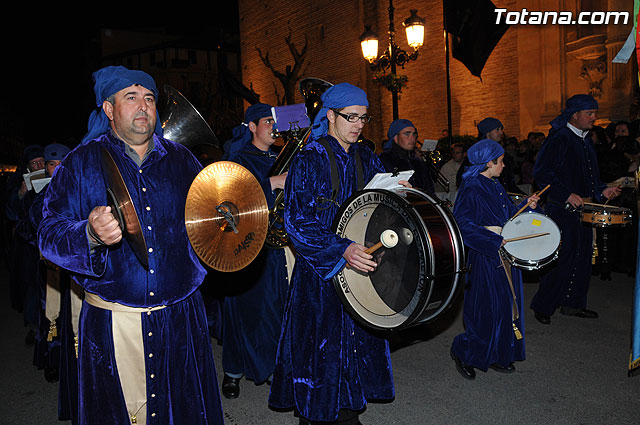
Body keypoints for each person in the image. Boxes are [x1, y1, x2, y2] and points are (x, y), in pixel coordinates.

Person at [37, 65, 224, 424]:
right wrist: (88, 234)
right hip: (111, 325)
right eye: (131, 97)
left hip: (180, 320)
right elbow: (47, 234)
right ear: (108, 109)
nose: (144, 107)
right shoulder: (79, 164)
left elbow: (208, 227)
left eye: (150, 99)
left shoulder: (184, 161)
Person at [268, 83, 398, 425]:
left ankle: (346, 406)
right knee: (319, 346)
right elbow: (296, 220)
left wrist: (400, 192)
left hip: (361, 262)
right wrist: (342, 249)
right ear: (330, 115)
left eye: (362, 117)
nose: (357, 124)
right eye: (350, 116)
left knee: (355, 337)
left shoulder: (367, 157)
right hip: (320, 270)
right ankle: (315, 411)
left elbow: (377, 206)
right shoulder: (309, 159)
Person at [449, 139, 540, 380]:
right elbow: (462, 225)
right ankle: (465, 352)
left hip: (506, 254)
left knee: (506, 308)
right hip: (485, 257)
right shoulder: (471, 187)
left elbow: (510, 216)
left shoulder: (496, 184)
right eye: (501, 161)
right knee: (485, 310)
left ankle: (500, 354)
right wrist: (492, 240)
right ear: (489, 162)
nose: (504, 165)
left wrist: (526, 206)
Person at [219, 103, 291, 399]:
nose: (274, 128)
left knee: (274, 307)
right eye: (266, 122)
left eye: (275, 122)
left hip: (275, 244)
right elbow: (228, 203)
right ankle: (233, 371)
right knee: (243, 309)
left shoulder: (281, 156)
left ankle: (274, 367)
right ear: (251, 126)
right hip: (245, 245)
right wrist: (270, 183)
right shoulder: (237, 159)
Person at [530, 94, 620, 324]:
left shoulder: (586, 140)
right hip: (562, 209)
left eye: (595, 113)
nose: (594, 118)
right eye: (590, 113)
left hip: (584, 209)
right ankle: (543, 305)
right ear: (575, 115)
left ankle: (573, 304)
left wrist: (602, 191)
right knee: (561, 257)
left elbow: (589, 178)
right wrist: (566, 194)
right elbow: (542, 173)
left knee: (582, 257)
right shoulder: (559, 138)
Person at [379, 118, 436, 195]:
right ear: (395, 138)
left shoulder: (417, 161)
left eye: (414, 134)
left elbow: (429, 189)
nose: (412, 138)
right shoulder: (384, 160)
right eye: (407, 134)